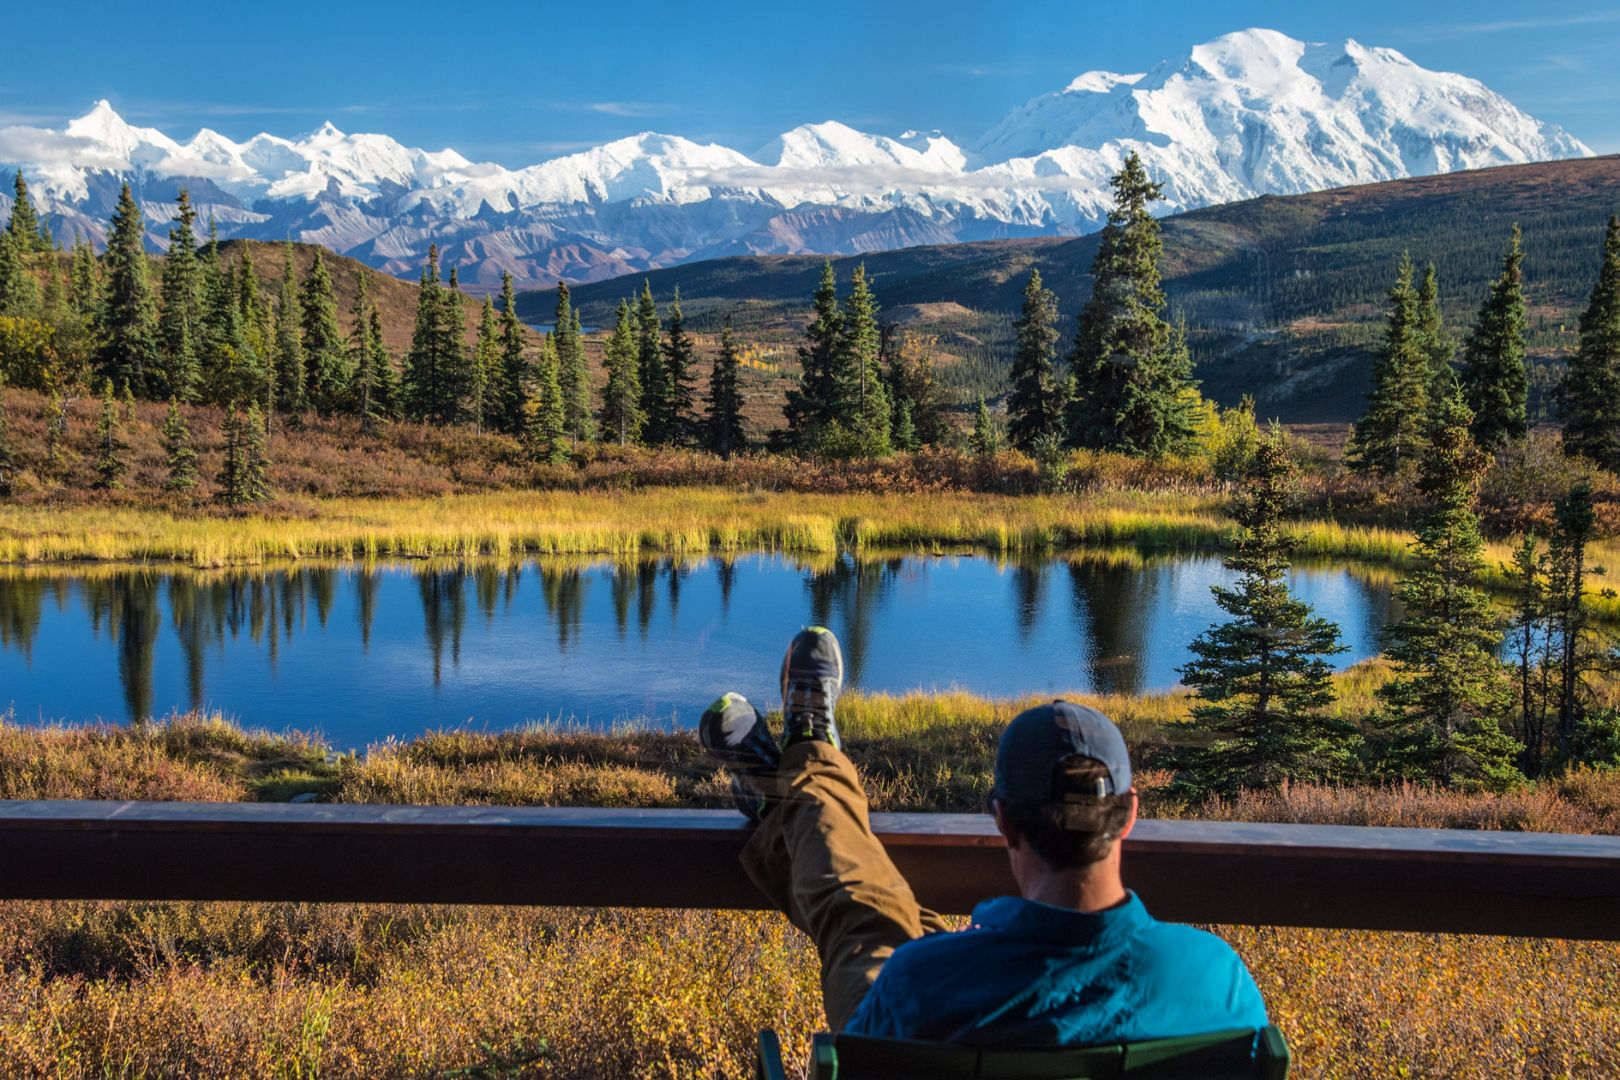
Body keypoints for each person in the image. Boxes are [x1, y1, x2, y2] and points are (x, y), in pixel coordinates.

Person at [699, 626, 1268, 1046]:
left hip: (934, 1008)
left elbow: (876, 1038)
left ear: (1002, 820)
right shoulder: (1220, 984)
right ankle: (789, 779)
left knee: (863, 918)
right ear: (1130, 814)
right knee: (901, 932)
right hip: (960, 986)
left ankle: (803, 768)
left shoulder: (919, 983)